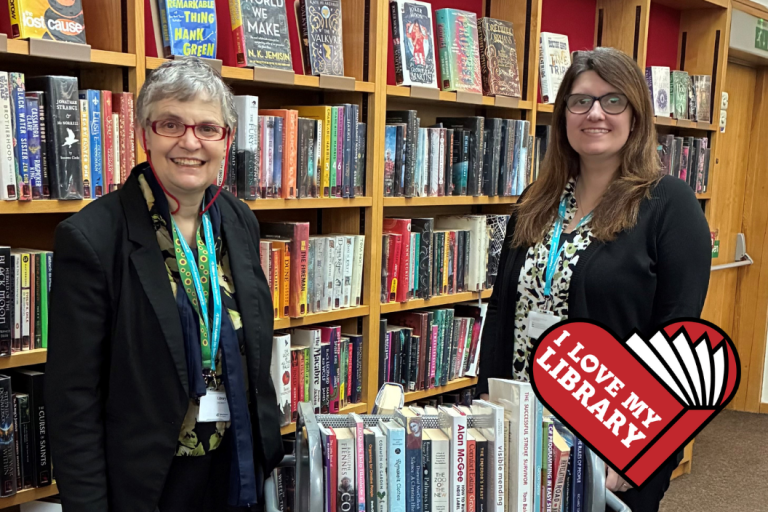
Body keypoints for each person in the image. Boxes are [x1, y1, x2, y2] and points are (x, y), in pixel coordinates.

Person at [476, 47, 711, 511]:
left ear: (636, 114)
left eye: (613, 101)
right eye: (580, 101)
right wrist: (487, 402)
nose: (595, 114)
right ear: (564, 113)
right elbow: (502, 309)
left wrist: (634, 447)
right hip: (522, 428)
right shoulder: (536, 201)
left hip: (614, 439)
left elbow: (677, 336)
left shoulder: (668, 204)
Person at [45, 57, 283, 512]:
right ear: (145, 135)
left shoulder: (239, 220)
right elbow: (72, 398)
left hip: (233, 468)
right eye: (171, 124)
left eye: (207, 128)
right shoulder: (93, 238)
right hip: (146, 482)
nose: (190, 142)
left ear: (226, 139)